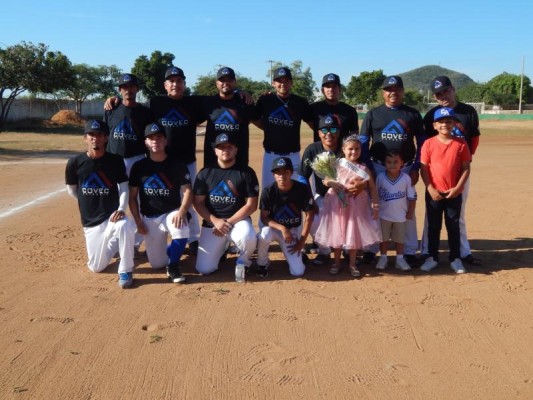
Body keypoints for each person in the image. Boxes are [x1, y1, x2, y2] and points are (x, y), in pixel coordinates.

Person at [359, 75, 425, 266]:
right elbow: (364, 142)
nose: (392, 93)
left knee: (406, 209)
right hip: (378, 166)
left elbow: (422, 143)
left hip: (405, 168)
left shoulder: (412, 114)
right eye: (389, 89)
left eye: (397, 89)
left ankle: (410, 250)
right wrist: (369, 168)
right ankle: (372, 248)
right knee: (375, 207)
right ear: (383, 93)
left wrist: (416, 167)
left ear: (403, 91)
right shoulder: (373, 114)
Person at [65, 119, 135, 289]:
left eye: (99, 135)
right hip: (90, 220)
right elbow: (72, 190)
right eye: (91, 135)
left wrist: (120, 209)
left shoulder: (115, 160)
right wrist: (88, 202)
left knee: (125, 225)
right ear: (85, 138)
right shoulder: (75, 162)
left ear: (106, 138)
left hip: (111, 216)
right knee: (96, 267)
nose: (95, 138)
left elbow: (124, 187)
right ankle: (117, 244)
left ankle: (125, 270)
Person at [421, 76, 482, 266]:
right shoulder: (432, 115)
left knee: (457, 215)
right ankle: (427, 252)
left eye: (445, 91)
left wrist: (463, 158)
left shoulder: (468, 112)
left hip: (460, 172)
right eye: (438, 94)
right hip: (436, 174)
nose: (443, 96)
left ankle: (463, 253)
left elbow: (474, 139)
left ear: (453, 89)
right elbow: (428, 146)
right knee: (431, 216)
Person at [128, 123, 193, 283]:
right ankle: (170, 253)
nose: (155, 141)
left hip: (171, 212)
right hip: (149, 216)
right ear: (146, 142)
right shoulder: (139, 166)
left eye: (159, 137)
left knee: (181, 227)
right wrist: (138, 221)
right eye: (151, 138)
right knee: (157, 264)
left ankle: (174, 266)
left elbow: (187, 191)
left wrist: (182, 211)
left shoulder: (176, 163)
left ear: (165, 141)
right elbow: (132, 197)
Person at [298, 115, 366, 266]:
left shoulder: (347, 148)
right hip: (323, 196)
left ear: (339, 131)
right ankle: (324, 251)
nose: (329, 134)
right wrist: (310, 201)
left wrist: (362, 184)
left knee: (350, 221)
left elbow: (363, 172)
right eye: (324, 130)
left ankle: (349, 250)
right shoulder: (313, 149)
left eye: (333, 129)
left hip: (348, 197)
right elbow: (303, 177)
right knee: (314, 219)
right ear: (319, 132)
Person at [314, 134, 381, 277]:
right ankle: (336, 262)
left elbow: (372, 187)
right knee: (337, 233)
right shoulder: (336, 163)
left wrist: (375, 205)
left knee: (353, 234)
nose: (354, 152)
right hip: (336, 204)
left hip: (356, 206)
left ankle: (352, 264)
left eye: (357, 149)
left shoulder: (363, 167)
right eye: (350, 148)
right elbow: (325, 180)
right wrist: (331, 183)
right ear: (343, 149)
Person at [193, 133, 259, 276]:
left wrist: (227, 223)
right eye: (221, 147)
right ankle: (222, 247)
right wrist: (215, 221)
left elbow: (252, 205)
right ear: (216, 151)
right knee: (204, 269)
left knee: (248, 237)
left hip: (237, 221)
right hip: (213, 224)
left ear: (236, 149)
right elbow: (198, 203)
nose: (225, 150)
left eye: (229, 147)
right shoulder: (205, 173)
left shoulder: (246, 172)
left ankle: (244, 262)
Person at [419, 108, 471, 274]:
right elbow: (424, 169)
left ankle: (455, 258)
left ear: (454, 124)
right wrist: (430, 188)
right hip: (434, 193)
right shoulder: (428, 143)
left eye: (449, 121)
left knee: (453, 225)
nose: (445, 125)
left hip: (453, 193)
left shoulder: (461, 144)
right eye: (441, 122)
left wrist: (457, 188)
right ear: (435, 125)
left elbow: (466, 169)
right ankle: (432, 257)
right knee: (434, 227)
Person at [254, 66, 314, 189]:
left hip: (293, 155)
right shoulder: (265, 100)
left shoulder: (300, 102)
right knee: (269, 190)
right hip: (271, 154)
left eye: (286, 80)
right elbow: (254, 117)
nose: (283, 84)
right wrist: (268, 127)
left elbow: (312, 122)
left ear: (291, 83)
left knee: (295, 191)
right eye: (279, 81)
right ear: (273, 83)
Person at [256, 157, 315, 277]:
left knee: (298, 272)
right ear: (273, 174)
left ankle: (299, 255)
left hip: (292, 231)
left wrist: (302, 242)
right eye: (278, 172)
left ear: (292, 173)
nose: (282, 176)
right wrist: (282, 228)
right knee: (263, 235)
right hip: (275, 229)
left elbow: (309, 216)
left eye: (286, 172)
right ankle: (262, 263)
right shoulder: (268, 191)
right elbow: (264, 218)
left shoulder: (302, 189)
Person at [201, 67, 258, 168]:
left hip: (239, 161)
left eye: (229, 80)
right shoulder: (208, 103)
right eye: (222, 80)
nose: (226, 83)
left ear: (235, 82)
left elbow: (258, 119)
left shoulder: (245, 103)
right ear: (216, 83)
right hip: (213, 162)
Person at [375, 150, 417, 271]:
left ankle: (400, 258)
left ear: (402, 163)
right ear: (384, 164)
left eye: (395, 162)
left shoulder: (406, 178)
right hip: (384, 215)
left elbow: (412, 197)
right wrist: (376, 210)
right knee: (383, 238)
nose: (392, 165)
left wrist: (410, 212)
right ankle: (383, 257)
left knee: (400, 239)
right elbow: (376, 194)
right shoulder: (380, 177)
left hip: (400, 215)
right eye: (389, 162)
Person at [104, 73, 154, 176]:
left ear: (137, 89)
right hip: (114, 158)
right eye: (125, 86)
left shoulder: (145, 112)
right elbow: (104, 134)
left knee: (135, 191)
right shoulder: (111, 109)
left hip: (137, 159)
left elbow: (148, 139)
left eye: (132, 86)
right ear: (119, 90)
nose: (128, 90)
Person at [311, 73, 359, 142]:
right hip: (320, 151)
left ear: (339, 89)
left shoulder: (350, 110)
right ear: (322, 90)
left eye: (334, 86)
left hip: (342, 151)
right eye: (327, 86)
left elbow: (354, 135)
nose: (331, 89)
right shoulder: (314, 108)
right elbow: (312, 125)